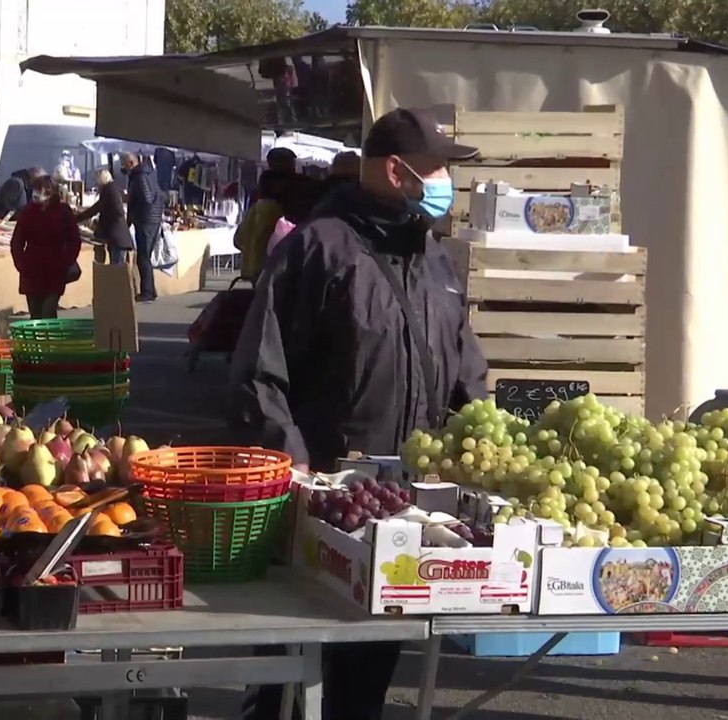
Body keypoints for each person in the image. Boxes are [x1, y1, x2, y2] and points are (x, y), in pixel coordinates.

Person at [229, 107, 489, 719]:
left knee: (366, 679)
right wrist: (296, 470)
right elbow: (258, 371)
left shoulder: (434, 259)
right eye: (436, 168)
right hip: (324, 511)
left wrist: (482, 442)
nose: (446, 182)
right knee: (290, 682)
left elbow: (465, 368)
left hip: (402, 511)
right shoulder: (317, 249)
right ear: (397, 172)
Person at [10, 175, 82, 319]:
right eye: (35, 190)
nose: (36, 194)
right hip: (31, 271)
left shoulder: (63, 211)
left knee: (48, 311)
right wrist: (21, 264)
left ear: (50, 193)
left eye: (40, 190)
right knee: (35, 315)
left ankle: (51, 335)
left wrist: (65, 262)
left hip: (55, 271)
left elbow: (74, 240)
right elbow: (17, 241)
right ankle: (37, 335)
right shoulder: (27, 212)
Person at [120, 152, 163, 302]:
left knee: (143, 258)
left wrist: (132, 208)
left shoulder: (140, 177)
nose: (123, 168)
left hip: (145, 220)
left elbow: (147, 198)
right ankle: (151, 290)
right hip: (153, 219)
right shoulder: (149, 174)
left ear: (131, 163)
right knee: (146, 257)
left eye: (124, 165)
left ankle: (147, 292)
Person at [76, 169, 133, 264]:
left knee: (117, 268)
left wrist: (77, 218)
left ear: (101, 180)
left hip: (117, 238)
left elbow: (96, 209)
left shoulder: (109, 192)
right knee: (115, 267)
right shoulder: (113, 189)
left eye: (96, 181)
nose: (96, 184)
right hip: (118, 238)